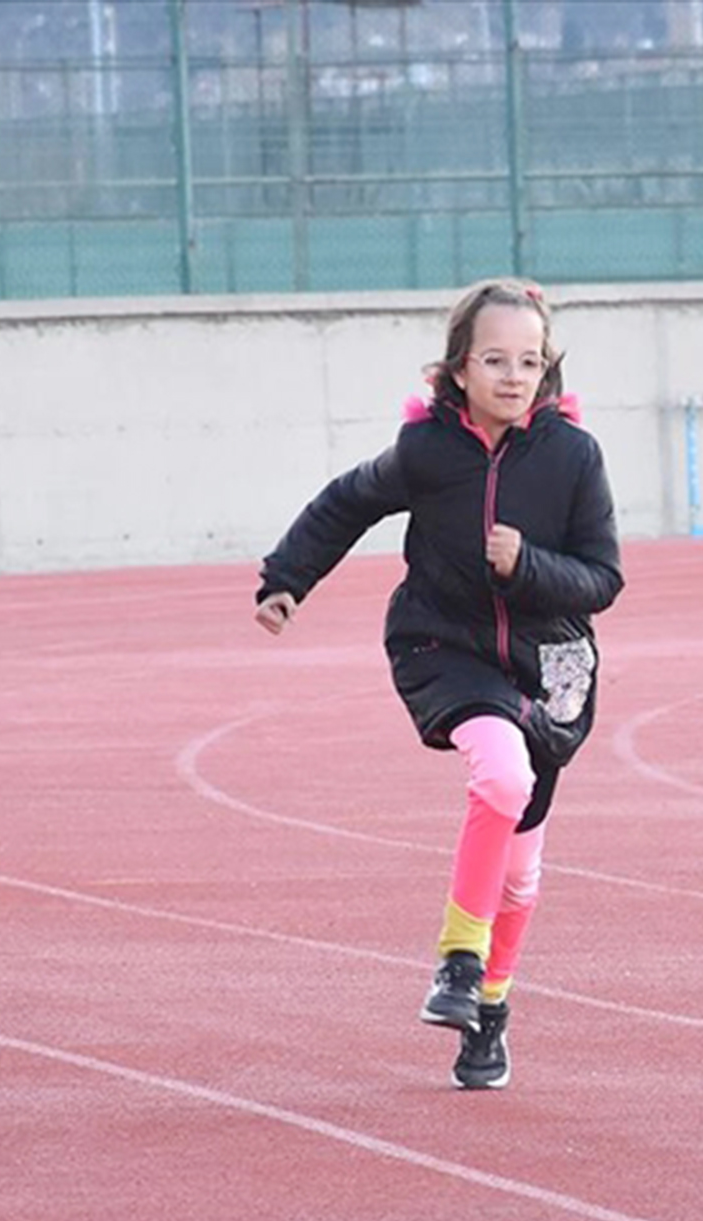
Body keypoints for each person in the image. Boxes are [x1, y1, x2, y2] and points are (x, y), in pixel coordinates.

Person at [253, 278, 623, 1090]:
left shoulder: (572, 457)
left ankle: (489, 1007)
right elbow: (346, 503)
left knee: (522, 869)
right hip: (443, 648)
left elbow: (603, 579)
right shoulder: (427, 453)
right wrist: (287, 578)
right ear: (458, 369)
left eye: (530, 360)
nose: (514, 375)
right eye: (495, 359)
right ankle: (458, 961)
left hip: (547, 668)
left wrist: (527, 564)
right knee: (499, 775)